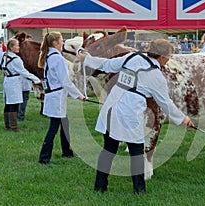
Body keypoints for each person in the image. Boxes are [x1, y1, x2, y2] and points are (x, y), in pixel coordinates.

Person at [77, 39, 194, 194]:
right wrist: (183, 119)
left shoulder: (132, 57)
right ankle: (139, 191)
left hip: (111, 108)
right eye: (169, 56)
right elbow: (166, 103)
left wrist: (87, 59)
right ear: (163, 57)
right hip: (128, 113)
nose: (168, 60)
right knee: (137, 153)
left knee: (108, 150)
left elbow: (106, 64)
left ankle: (100, 187)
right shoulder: (156, 76)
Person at [37, 32, 85, 164]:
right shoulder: (57, 58)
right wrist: (79, 95)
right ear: (55, 43)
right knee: (53, 128)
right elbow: (66, 82)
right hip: (56, 97)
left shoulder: (50, 56)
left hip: (55, 95)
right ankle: (44, 158)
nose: (63, 43)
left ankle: (67, 151)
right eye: (62, 40)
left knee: (65, 124)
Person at [0, 39, 41, 132]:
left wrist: (3, 46)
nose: (19, 47)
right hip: (14, 82)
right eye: (17, 45)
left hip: (7, 80)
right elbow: (24, 72)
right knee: (14, 104)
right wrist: (37, 80)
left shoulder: (4, 56)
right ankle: (14, 127)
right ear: (11, 48)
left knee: (8, 103)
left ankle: (7, 125)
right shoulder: (16, 59)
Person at [18, 34, 34, 121]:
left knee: (23, 97)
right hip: (20, 79)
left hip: (25, 80)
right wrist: (36, 80)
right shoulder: (22, 55)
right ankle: (20, 116)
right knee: (22, 98)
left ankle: (19, 116)